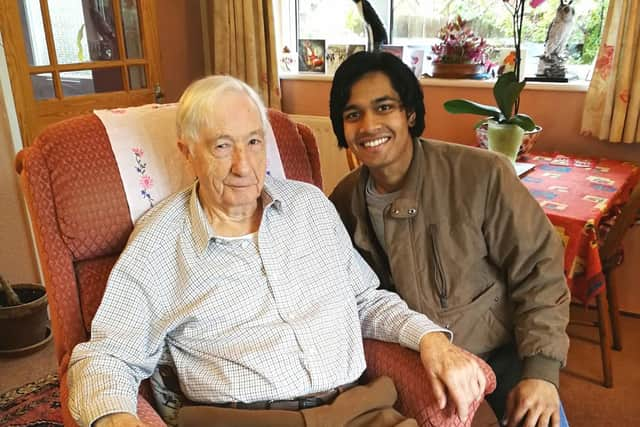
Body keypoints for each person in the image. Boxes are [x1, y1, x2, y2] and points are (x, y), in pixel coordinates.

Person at [67, 75, 488, 427]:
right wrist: (114, 419)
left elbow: (364, 301)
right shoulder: (160, 241)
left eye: (253, 142)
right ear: (187, 151)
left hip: (359, 411)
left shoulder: (310, 206)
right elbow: (107, 357)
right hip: (246, 420)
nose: (244, 166)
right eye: (221, 146)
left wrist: (432, 339)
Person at [329, 51, 571, 427]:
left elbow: (540, 268)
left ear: (409, 113)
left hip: (502, 347)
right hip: (416, 356)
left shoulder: (482, 175)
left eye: (384, 107)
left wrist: (541, 372)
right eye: (353, 114)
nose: (369, 125)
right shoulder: (342, 202)